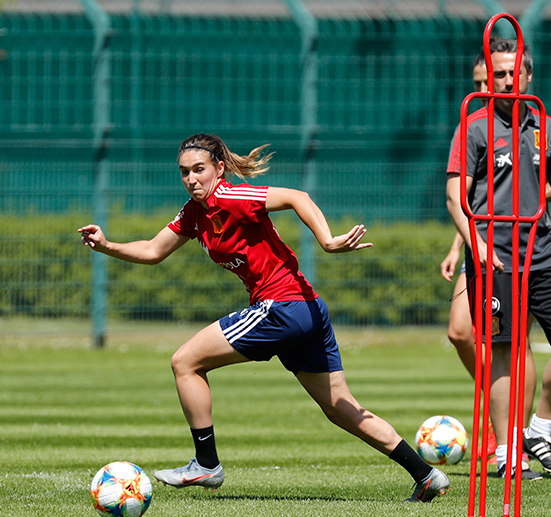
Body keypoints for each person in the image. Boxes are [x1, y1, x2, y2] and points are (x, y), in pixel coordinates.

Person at [78, 133, 450, 502]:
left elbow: (297, 197)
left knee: (185, 362)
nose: (191, 179)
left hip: (282, 307)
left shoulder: (231, 197)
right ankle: (426, 474)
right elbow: (152, 250)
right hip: (305, 308)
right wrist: (107, 245)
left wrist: (327, 240)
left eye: (199, 169)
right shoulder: (194, 213)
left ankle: (206, 464)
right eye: (184, 172)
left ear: (219, 169)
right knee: (340, 408)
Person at [445, 39, 551, 479]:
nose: (506, 81)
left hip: (543, 252)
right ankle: (507, 454)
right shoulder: (474, 127)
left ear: (528, 76)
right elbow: (456, 197)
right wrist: (475, 245)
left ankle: (539, 429)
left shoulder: (544, 126)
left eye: (513, 73)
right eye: (498, 74)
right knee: (504, 351)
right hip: (495, 258)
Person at [440, 50, 548, 466]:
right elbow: (469, 198)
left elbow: (542, 184)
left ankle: (511, 435)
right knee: (460, 331)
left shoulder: (529, 125)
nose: (486, 88)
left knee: (516, 342)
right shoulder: (475, 126)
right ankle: (498, 409)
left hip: (516, 247)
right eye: (479, 82)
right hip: (479, 244)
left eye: (492, 80)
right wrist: (459, 245)